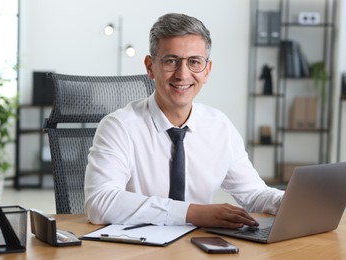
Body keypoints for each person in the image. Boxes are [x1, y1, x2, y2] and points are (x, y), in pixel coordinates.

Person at [84, 13, 284, 228]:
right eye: (171, 61)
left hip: (198, 247)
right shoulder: (119, 127)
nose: (182, 74)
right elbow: (99, 202)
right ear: (150, 67)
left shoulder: (220, 126)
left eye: (194, 62)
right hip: (137, 248)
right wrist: (192, 213)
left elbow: (254, 194)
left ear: (207, 71)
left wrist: (291, 201)